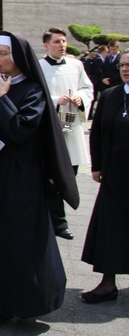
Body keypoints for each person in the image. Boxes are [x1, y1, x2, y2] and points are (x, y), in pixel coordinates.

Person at [0, 31, 79, 322]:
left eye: (2, 54)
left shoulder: (34, 90)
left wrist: (2, 98)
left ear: (18, 57)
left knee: (19, 243)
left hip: (22, 178)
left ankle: (26, 306)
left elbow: (22, 130)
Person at [80, 50, 129, 304]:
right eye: (122, 65)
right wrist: (96, 165)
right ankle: (107, 283)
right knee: (110, 229)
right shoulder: (110, 95)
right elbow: (96, 132)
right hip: (114, 174)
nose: (125, 69)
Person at [39, 27, 93, 240]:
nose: (62, 45)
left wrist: (81, 98)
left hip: (72, 128)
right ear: (46, 45)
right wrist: (55, 101)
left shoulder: (76, 65)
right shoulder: (39, 66)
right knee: (52, 175)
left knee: (70, 173)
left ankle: (58, 215)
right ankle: (58, 223)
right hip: (51, 128)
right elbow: (34, 93)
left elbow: (88, 88)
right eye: (57, 42)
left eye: (63, 41)